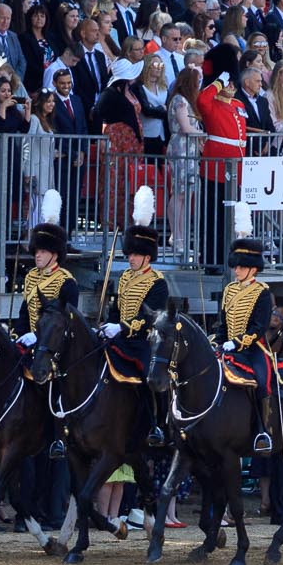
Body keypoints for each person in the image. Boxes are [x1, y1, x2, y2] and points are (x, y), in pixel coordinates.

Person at [106, 185, 171, 449]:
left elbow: (150, 319)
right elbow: (116, 307)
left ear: (147, 255)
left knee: (150, 377)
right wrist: (108, 325)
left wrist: (121, 328)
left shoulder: (158, 282)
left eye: (135, 254)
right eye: (129, 253)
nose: (130, 258)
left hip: (143, 342)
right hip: (118, 338)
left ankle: (156, 423)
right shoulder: (123, 278)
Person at [14, 188, 76, 456]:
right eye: (36, 250)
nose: (37, 255)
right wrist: (20, 334)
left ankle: (59, 434)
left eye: (42, 251)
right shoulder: (29, 278)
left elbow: (66, 322)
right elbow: (23, 313)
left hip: (55, 349)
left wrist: (40, 339)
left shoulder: (66, 281)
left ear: (55, 253)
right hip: (30, 344)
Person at [222, 208, 276, 455]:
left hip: (253, 348)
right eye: (236, 266)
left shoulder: (262, 292)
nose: (237, 270)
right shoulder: (229, 290)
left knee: (263, 382)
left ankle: (263, 430)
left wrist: (237, 342)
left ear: (253, 268)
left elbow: (259, 327)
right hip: (227, 346)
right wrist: (218, 338)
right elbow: (222, 322)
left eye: (242, 267)